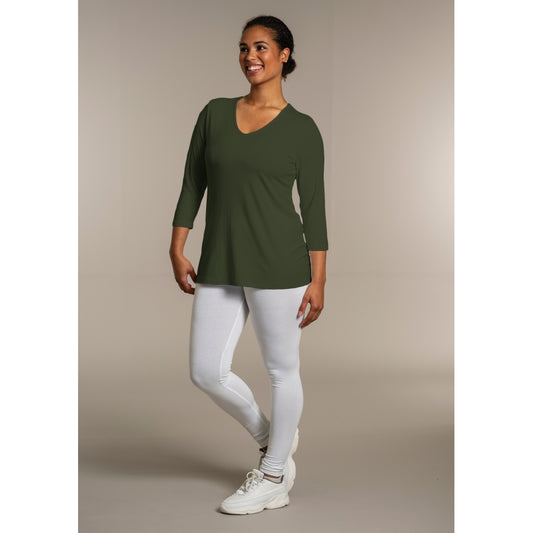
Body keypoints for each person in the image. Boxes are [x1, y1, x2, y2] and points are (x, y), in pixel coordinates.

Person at [169, 14, 328, 515]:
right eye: (243, 47)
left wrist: (319, 279)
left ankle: (274, 475)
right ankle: (272, 438)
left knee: (282, 370)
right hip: (221, 259)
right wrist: (177, 245)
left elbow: (315, 210)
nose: (250, 56)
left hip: (281, 264)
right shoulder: (214, 114)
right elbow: (192, 183)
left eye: (260, 47)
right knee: (205, 371)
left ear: (284, 55)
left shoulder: (302, 129)